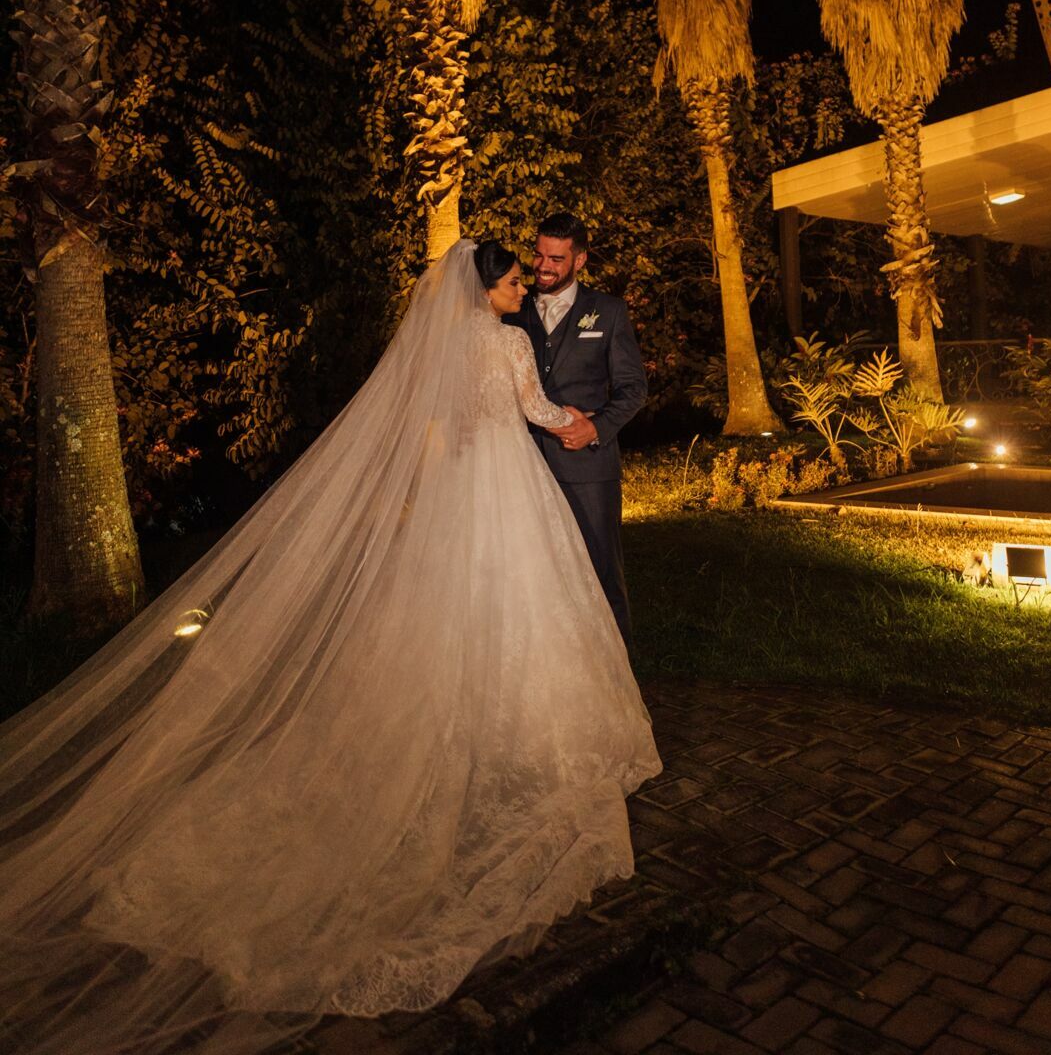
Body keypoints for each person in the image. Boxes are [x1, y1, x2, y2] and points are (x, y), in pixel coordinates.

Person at [0, 238, 659, 1055]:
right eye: (514, 279)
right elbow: (533, 411)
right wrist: (579, 425)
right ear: (485, 290)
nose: (523, 286)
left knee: (451, 608)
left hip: (460, 485)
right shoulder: (507, 341)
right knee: (516, 603)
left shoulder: (444, 347)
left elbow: (443, 423)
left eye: (527, 276)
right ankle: (515, 737)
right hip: (507, 484)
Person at [506, 213, 647, 643]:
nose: (543, 266)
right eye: (538, 254)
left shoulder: (608, 311)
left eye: (556, 258)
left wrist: (596, 428)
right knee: (531, 571)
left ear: (580, 260)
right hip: (522, 463)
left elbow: (633, 389)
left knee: (601, 568)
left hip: (588, 468)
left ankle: (619, 673)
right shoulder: (511, 310)